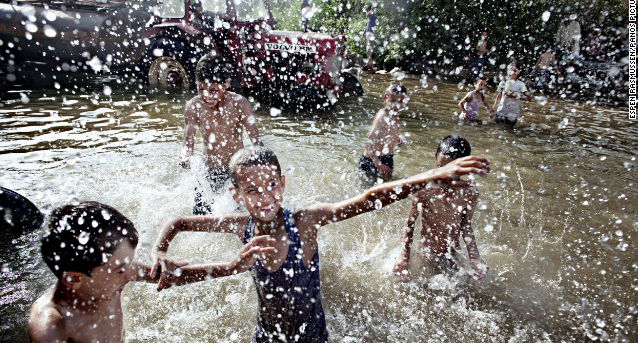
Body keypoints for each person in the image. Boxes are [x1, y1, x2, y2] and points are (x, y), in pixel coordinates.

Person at [151, 145, 491, 343]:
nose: (265, 196)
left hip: (312, 336)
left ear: (282, 183)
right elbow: (177, 222)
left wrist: (433, 175)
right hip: (267, 336)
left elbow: (372, 196)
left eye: (271, 185)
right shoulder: (240, 224)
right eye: (252, 191)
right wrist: (160, 251)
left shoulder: (305, 220)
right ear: (236, 195)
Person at [28, 201, 271, 342]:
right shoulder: (52, 326)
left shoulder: (107, 277)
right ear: (73, 279)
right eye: (122, 269)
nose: (131, 274)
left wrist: (232, 267)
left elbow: (172, 276)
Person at [393, 136, 489, 281]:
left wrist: (475, 258)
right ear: (435, 158)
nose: (444, 175)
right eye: (440, 167)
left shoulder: (470, 192)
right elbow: (409, 224)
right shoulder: (425, 188)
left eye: (452, 172)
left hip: (453, 254)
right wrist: (403, 258)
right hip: (427, 254)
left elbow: (465, 225)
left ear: (464, 167)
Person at [180, 54, 261, 215]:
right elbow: (188, 144)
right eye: (201, 88)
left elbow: (256, 142)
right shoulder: (194, 106)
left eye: (213, 90)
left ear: (226, 84)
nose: (206, 96)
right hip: (209, 173)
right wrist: (185, 155)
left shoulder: (239, 104)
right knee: (200, 220)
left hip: (236, 171)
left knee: (240, 218)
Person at [358, 82, 407, 184]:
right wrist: (378, 164)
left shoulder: (395, 115)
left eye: (400, 101)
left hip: (387, 158)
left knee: (388, 188)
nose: (396, 105)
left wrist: (397, 138)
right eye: (392, 101)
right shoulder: (382, 116)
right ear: (385, 99)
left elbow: (391, 129)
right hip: (372, 160)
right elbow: (368, 143)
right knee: (368, 189)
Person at [492, 62, 531, 127]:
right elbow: (498, 96)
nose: (512, 72)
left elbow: (529, 98)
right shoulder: (503, 82)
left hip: (513, 114)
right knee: (496, 129)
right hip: (500, 112)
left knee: (510, 131)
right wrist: (493, 109)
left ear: (518, 72)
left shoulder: (521, 84)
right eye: (510, 70)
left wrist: (515, 96)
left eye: (515, 70)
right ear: (507, 71)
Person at [363, 4, 377, 71]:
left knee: (369, 48)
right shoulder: (368, 19)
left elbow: (368, 14)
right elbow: (365, 27)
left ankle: (368, 64)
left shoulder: (372, 17)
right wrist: (362, 35)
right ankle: (370, 64)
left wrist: (370, 10)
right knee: (367, 49)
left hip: (371, 34)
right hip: (367, 34)